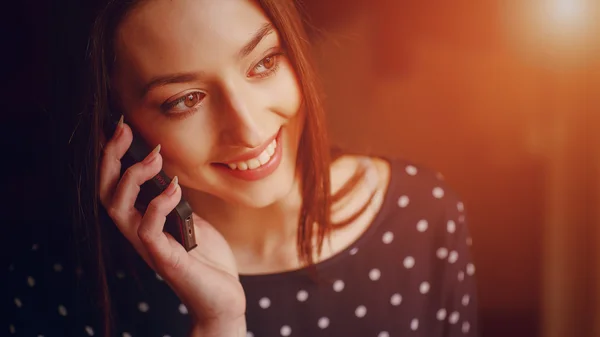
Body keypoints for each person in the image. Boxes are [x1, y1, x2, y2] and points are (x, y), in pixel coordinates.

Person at [5, 0, 479, 336]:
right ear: (117, 121)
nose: (249, 129)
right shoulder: (56, 276)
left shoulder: (421, 216)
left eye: (264, 62)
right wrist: (219, 324)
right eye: (185, 100)